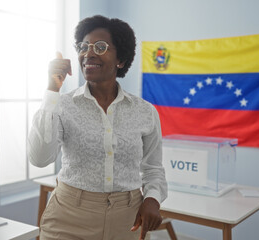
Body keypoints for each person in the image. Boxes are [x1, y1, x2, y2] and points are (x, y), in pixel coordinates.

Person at [27, 15, 167, 240]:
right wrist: (51, 90)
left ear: (120, 60)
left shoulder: (145, 112)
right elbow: (39, 158)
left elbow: (153, 168)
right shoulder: (62, 105)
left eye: (100, 47)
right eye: (83, 47)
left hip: (127, 218)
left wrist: (152, 198)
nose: (88, 53)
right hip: (70, 215)